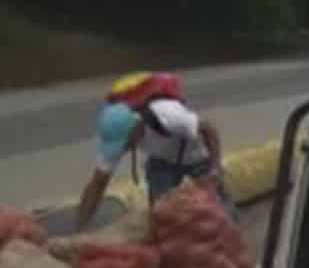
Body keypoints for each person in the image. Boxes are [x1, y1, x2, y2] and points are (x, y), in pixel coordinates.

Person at [75, 72, 231, 232]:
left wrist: (215, 167)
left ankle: (231, 231)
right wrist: (80, 227)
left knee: (220, 212)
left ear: (136, 127)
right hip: (162, 162)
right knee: (162, 217)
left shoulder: (168, 115)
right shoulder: (116, 136)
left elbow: (209, 129)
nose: (125, 148)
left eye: (126, 142)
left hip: (196, 157)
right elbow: (98, 183)